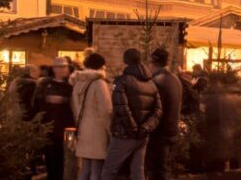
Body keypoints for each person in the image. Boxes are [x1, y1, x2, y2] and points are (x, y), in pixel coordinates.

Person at [101, 48, 162, 180]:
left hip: (124, 134)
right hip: (143, 136)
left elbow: (121, 108)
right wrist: (145, 128)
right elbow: (157, 111)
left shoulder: (122, 81)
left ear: (125, 60)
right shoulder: (151, 84)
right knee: (138, 171)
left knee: (109, 171)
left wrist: (133, 129)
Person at [34, 56, 75, 180]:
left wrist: (64, 100)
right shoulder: (46, 84)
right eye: (60, 67)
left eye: (65, 67)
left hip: (66, 127)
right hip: (49, 126)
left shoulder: (71, 85)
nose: (63, 70)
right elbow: (37, 103)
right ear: (55, 69)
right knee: (51, 156)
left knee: (63, 157)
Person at [72, 53, 112, 180]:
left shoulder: (78, 82)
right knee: (96, 171)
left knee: (85, 168)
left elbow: (75, 107)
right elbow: (106, 110)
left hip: (83, 130)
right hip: (97, 132)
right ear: (101, 66)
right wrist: (111, 130)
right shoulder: (99, 83)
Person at [147, 48, 182, 180]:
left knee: (157, 169)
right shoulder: (175, 79)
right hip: (171, 130)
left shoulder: (157, 81)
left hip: (159, 133)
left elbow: (153, 108)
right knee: (163, 167)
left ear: (152, 63)